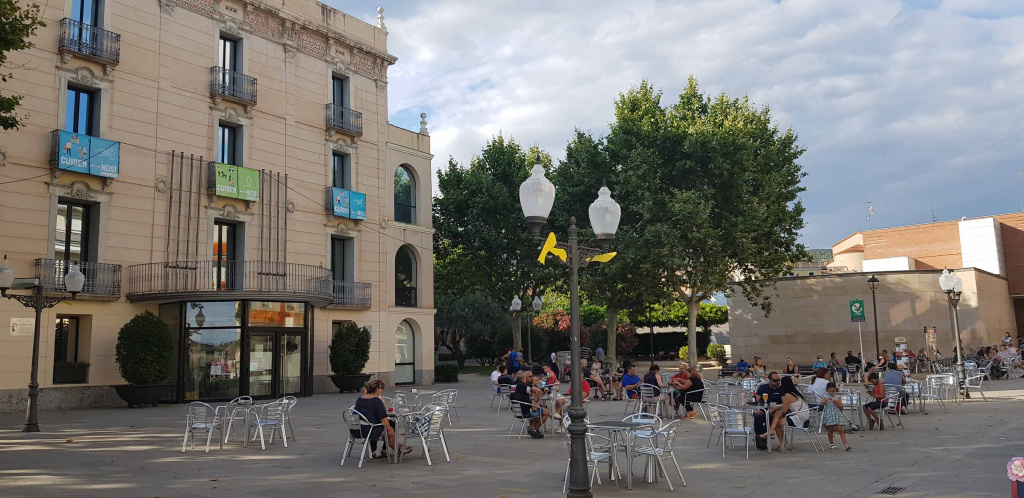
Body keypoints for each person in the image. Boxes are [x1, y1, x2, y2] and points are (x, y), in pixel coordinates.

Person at [353, 380, 413, 457]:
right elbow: (383, 417)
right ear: (378, 389)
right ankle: (398, 449)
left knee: (390, 426)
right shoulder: (376, 401)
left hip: (357, 428)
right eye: (382, 388)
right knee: (390, 429)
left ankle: (398, 448)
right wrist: (389, 429)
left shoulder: (360, 399)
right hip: (370, 429)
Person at [768, 376, 810, 452]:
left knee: (777, 421)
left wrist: (775, 409)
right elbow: (788, 405)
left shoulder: (788, 395)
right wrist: (776, 407)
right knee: (777, 416)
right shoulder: (796, 393)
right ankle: (772, 431)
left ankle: (779, 441)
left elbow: (784, 411)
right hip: (805, 417)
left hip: (799, 419)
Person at [511, 370, 548, 438]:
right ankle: (534, 430)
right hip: (526, 412)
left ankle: (532, 428)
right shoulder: (524, 386)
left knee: (535, 411)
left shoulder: (513, 386)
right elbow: (538, 391)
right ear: (523, 378)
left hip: (517, 412)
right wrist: (536, 402)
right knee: (547, 412)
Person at [753, 372, 785, 450]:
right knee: (757, 417)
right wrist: (757, 409)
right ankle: (761, 437)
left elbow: (784, 403)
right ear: (769, 380)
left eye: (778, 380)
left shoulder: (781, 389)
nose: (777, 382)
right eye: (775, 380)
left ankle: (761, 437)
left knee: (771, 418)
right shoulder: (762, 387)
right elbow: (756, 400)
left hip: (776, 410)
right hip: (763, 409)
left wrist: (774, 408)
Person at [820, 382, 850, 451]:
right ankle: (831, 443)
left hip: (837, 414)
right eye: (830, 391)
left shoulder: (837, 397)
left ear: (835, 391)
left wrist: (836, 402)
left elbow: (841, 407)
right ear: (827, 390)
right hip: (829, 414)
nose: (831, 393)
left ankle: (845, 444)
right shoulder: (824, 396)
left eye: (833, 391)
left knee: (840, 430)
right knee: (830, 429)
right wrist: (827, 400)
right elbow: (821, 404)